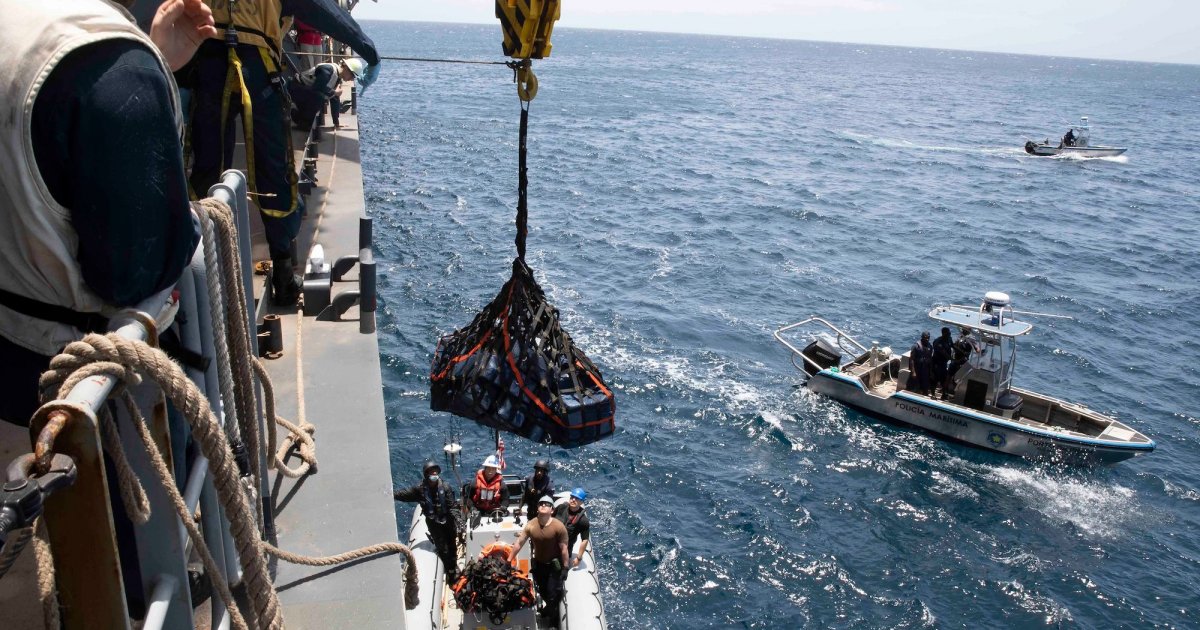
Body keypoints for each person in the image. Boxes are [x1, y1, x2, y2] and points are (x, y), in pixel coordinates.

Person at [188, 0, 380, 305]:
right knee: (274, 172)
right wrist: (366, 48)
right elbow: (321, 9)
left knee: (207, 169)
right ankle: (283, 273)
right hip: (258, 69)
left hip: (208, 64)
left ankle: (202, 270)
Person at [394, 460, 463, 580]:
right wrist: (392, 495)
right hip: (433, 524)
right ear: (426, 475)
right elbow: (405, 495)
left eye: (436, 472)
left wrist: (458, 520)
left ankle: (453, 565)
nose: (434, 475)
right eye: (431, 473)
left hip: (448, 521)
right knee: (443, 548)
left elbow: (452, 506)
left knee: (452, 545)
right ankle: (450, 571)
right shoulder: (419, 489)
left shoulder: (445, 487)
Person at [508, 495, 569, 625]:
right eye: (541, 503)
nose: (543, 505)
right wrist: (508, 560)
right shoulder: (531, 525)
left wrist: (565, 568)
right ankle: (549, 608)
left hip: (553, 566)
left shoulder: (559, 527)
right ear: (537, 508)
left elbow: (564, 549)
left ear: (552, 510)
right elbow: (519, 543)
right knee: (541, 590)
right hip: (539, 565)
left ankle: (553, 621)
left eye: (547, 504)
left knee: (552, 594)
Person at [289, 57, 364, 130]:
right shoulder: (328, 70)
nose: (351, 79)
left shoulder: (337, 77)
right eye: (352, 76)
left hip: (304, 90)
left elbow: (334, 98)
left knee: (322, 97)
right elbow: (318, 88)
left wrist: (336, 122)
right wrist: (334, 92)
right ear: (346, 68)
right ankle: (301, 120)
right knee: (319, 97)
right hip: (296, 88)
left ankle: (301, 117)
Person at [553, 487, 591, 569]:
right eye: (572, 497)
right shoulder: (561, 508)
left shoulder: (583, 521)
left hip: (564, 551)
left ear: (581, 502)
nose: (573, 500)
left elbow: (585, 540)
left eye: (577, 499)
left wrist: (579, 558)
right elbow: (549, 519)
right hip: (550, 544)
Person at [946, 328, 976, 396]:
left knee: (958, 378)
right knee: (949, 375)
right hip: (955, 360)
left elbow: (976, 348)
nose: (962, 331)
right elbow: (955, 345)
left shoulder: (971, 339)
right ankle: (945, 390)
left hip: (962, 362)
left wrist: (978, 350)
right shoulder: (960, 336)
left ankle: (956, 394)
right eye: (962, 330)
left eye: (964, 330)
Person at [931, 327, 954, 400]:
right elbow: (944, 353)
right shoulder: (938, 342)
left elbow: (953, 346)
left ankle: (944, 394)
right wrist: (954, 359)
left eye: (950, 333)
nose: (950, 334)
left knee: (944, 379)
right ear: (944, 333)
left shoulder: (949, 339)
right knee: (935, 379)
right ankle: (933, 394)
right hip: (937, 363)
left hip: (944, 363)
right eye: (948, 333)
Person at [908, 331, 933, 396]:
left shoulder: (930, 346)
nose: (927, 339)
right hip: (917, 368)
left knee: (925, 386)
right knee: (914, 385)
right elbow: (912, 359)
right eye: (925, 337)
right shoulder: (916, 346)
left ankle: (923, 394)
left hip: (925, 369)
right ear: (922, 337)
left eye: (928, 338)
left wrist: (930, 371)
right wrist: (913, 371)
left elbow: (930, 359)